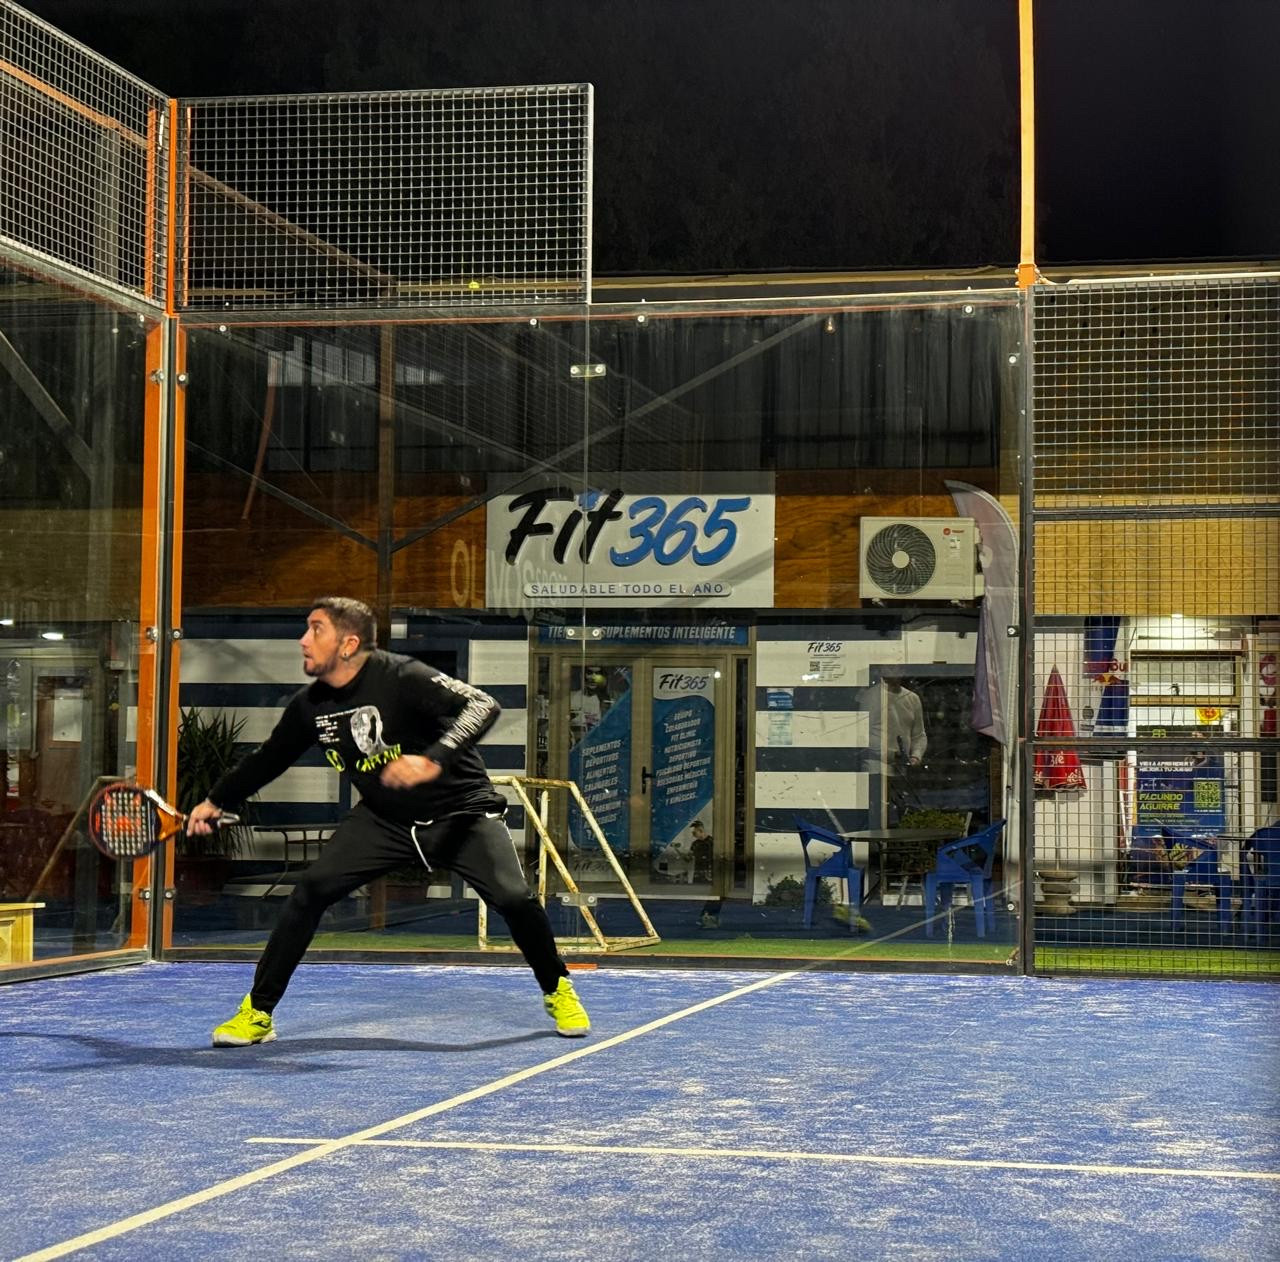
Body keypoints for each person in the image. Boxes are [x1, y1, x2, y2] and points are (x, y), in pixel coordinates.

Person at [190, 596, 590, 1046]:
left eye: (315, 629)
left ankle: (557, 987)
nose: (302, 640)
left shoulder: (402, 675)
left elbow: (483, 705)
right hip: (385, 820)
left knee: (514, 899)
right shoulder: (310, 707)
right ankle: (259, 1013)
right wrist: (215, 800)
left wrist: (433, 760)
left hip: (460, 812)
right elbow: (268, 760)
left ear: (348, 644)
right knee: (309, 892)